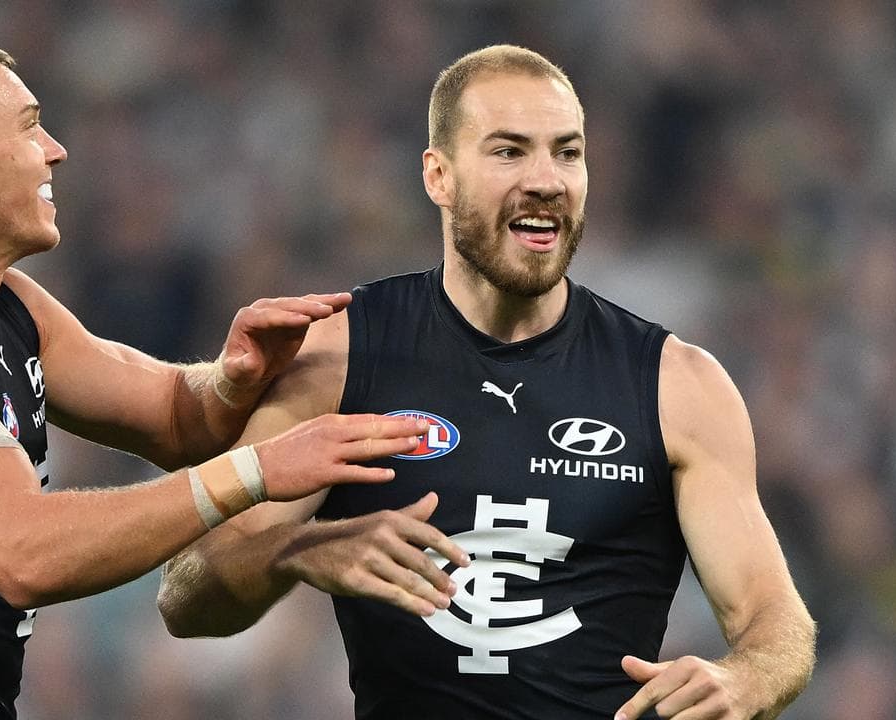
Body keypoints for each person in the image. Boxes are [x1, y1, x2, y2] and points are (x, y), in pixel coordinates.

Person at [157, 45, 816, 719]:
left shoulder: (677, 386)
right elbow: (185, 596)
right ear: (439, 176)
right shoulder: (341, 357)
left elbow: (775, 618)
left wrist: (746, 678)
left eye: (567, 153)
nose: (546, 180)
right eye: (509, 152)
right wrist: (299, 549)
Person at [0, 38, 436, 719]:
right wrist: (258, 471)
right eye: (29, 127)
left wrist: (232, 381)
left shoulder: (3, 304)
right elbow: (23, 553)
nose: (55, 150)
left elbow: (171, 418)